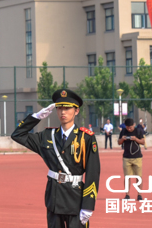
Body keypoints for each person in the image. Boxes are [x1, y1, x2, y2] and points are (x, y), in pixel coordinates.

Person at [11, 89, 100, 227]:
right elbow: (17, 135)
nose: (62, 112)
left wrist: (88, 205)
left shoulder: (86, 137)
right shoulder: (47, 136)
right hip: (54, 198)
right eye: (59, 108)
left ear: (76, 111)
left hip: (75, 199)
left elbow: (93, 173)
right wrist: (36, 117)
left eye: (67, 108)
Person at [118, 118, 145, 200]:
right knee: (127, 177)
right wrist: (123, 138)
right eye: (127, 127)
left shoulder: (138, 131)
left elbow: (143, 142)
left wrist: (135, 139)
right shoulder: (123, 131)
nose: (129, 129)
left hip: (137, 157)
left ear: (134, 125)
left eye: (130, 127)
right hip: (126, 157)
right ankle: (127, 194)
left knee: (138, 177)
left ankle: (139, 194)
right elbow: (119, 142)